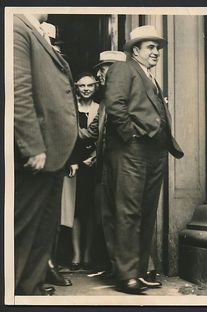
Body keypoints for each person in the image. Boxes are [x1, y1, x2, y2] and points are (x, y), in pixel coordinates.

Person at [101, 25, 184, 294]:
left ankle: (137, 271)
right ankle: (126, 275)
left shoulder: (148, 76)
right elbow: (115, 105)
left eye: (158, 48)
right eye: (150, 47)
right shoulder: (123, 69)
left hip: (154, 152)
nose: (156, 52)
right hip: (132, 151)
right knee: (128, 211)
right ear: (135, 50)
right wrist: (131, 137)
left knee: (146, 211)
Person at [14, 14, 78, 295]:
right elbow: (18, 90)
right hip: (39, 150)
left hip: (54, 152)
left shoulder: (31, 29)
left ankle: (29, 287)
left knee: (41, 228)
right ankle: (16, 290)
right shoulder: (16, 25)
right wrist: (32, 145)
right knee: (24, 230)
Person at [78, 51, 126, 273]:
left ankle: (135, 269)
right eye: (100, 68)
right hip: (105, 170)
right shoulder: (105, 101)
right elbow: (91, 133)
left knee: (125, 215)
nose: (100, 73)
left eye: (105, 68)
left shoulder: (126, 96)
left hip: (124, 167)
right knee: (105, 216)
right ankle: (115, 266)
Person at [67, 73, 99, 270]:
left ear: (95, 87)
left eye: (90, 85)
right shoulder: (71, 109)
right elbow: (67, 136)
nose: (86, 88)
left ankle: (88, 255)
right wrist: (73, 161)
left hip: (94, 164)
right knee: (75, 212)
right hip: (73, 166)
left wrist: (94, 157)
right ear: (76, 88)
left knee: (92, 211)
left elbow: (103, 136)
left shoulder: (100, 108)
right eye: (82, 85)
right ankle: (76, 255)